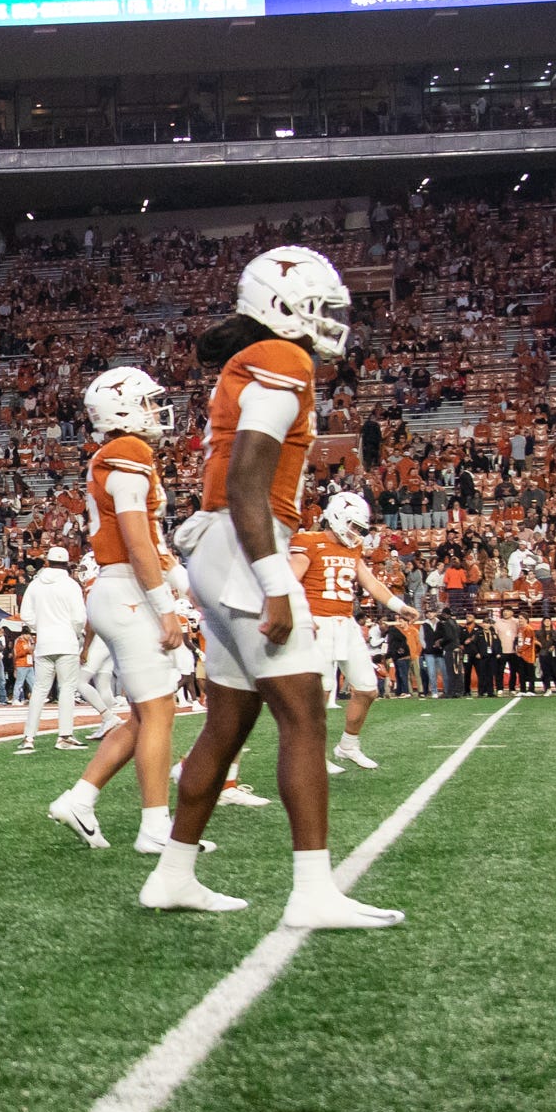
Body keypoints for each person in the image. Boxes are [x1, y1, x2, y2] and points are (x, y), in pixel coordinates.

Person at [141, 245, 400, 929]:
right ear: (284, 308)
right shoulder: (285, 359)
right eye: (323, 307)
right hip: (242, 545)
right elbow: (247, 481)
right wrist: (276, 579)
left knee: (229, 722)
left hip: (224, 544)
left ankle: (172, 874)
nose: (335, 320)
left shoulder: (263, 360)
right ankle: (312, 891)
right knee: (306, 715)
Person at [45, 367, 187, 852]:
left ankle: (80, 799)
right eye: (145, 401)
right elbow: (135, 537)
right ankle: (153, 829)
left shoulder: (118, 453)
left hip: (120, 589)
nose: (154, 411)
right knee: (159, 714)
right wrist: (165, 604)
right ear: (122, 407)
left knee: (145, 717)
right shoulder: (128, 450)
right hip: (129, 589)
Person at [289, 492, 415, 770]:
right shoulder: (308, 541)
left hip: (346, 623)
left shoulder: (353, 548)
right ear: (336, 517)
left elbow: (369, 581)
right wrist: (299, 616)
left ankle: (348, 745)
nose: (356, 533)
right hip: (316, 623)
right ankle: (313, 755)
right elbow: (289, 581)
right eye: (354, 526)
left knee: (368, 689)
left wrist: (398, 606)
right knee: (319, 694)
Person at [17, 547, 87, 753]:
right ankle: (64, 735)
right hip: (66, 641)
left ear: (47, 562)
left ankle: (28, 738)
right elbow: (79, 618)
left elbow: (26, 615)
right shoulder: (71, 585)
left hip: (44, 642)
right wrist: (73, 633)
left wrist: (41, 628)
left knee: (39, 690)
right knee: (66, 689)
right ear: (66, 564)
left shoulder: (36, 584)